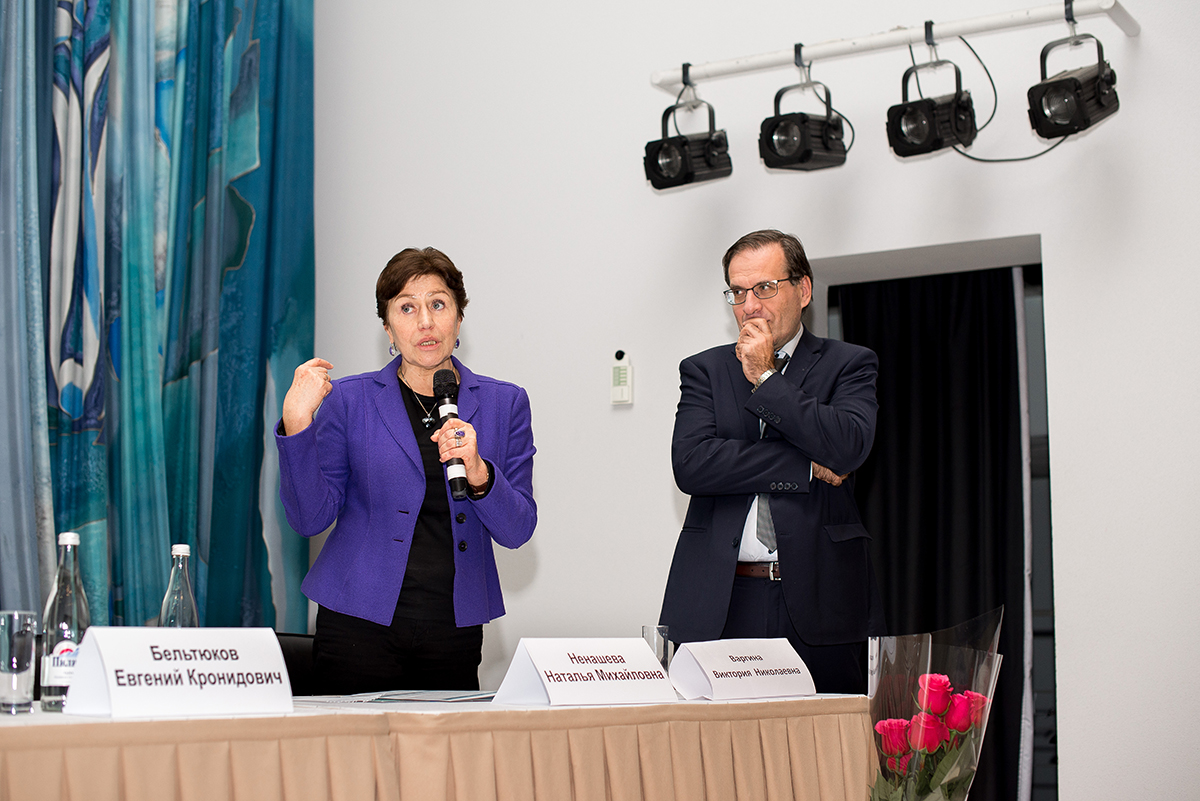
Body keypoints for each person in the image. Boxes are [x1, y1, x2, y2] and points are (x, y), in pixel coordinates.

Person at [276, 247, 536, 693]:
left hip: (453, 627)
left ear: (459, 318)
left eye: (438, 304)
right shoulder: (349, 400)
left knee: (445, 741)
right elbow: (309, 519)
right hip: (357, 621)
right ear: (388, 328)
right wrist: (297, 423)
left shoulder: (504, 403)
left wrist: (479, 472)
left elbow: (517, 530)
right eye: (407, 308)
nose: (425, 322)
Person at [659, 229, 884, 694]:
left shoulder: (849, 364)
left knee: (823, 737)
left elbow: (846, 448)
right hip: (721, 597)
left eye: (764, 287)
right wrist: (804, 465)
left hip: (820, 597)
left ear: (803, 290)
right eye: (737, 292)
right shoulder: (705, 370)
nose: (749, 305)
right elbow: (693, 464)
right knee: (715, 739)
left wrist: (764, 376)